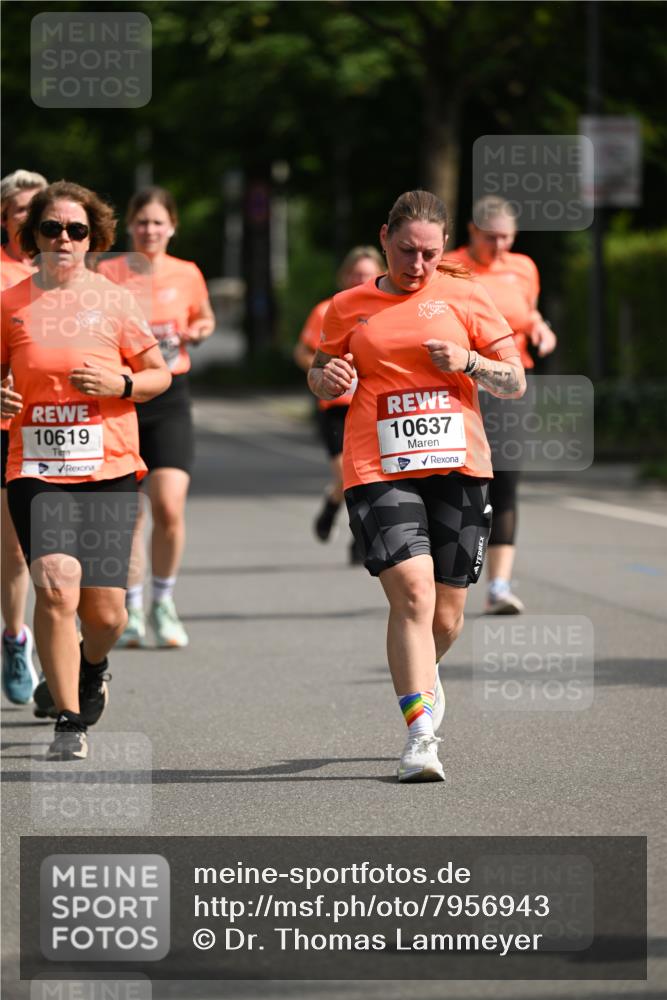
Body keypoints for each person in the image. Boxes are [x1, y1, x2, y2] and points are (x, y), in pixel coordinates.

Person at [308, 190, 525, 783]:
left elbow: (515, 380)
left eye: (430, 254)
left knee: (447, 616)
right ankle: (420, 735)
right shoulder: (347, 305)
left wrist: (469, 361)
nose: (418, 265)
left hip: (458, 464)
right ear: (385, 239)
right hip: (379, 463)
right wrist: (324, 375)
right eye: (407, 251)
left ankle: (424, 677)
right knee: (411, 591)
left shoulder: (466, 294)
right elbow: (320, 372)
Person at [0, 180, 171, 759]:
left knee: (106, 613)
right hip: (36, 466)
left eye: (77, 230)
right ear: (33, 237)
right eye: (52, 228)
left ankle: (90, 664)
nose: (65, 239)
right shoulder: (11, 303)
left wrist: (122, 382)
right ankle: (69, 720)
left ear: (94, 238)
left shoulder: (115, 300)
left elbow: (158, 375)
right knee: (54, 586)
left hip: (107, 466)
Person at [98, 188, 215, 648]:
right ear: (130, 225)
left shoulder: (187, 273)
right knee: (129, 513)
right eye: (142, 222)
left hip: (170, 396)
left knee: (168, 505)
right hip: (121, 399)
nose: (149, 230)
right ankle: (131, 605)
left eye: (157, 222)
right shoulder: (109, 272)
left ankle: (163, 602)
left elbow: (204, 318)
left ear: (172, 227)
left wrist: (199, 330)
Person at [447, 196, 557, 614]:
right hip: (463, 385)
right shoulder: (452, 266)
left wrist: (541, 328)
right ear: (472, 232)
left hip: (511, 384)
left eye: (507, 238)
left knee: (506, 480)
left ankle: (498, 586)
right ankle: (449, 576)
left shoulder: (524, 267)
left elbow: (527, 313)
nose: (499, 247)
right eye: (490, 238)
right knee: (464, 482)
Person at [293, 247, 384, 563]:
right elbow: (304, 353)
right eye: (355, 274)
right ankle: (337, 508)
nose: (361, 279)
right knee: (346, 476)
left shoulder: (387, 310)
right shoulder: (327, 310)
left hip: (373, 405)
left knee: (369, 475)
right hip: (336, 407)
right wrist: (325, 370)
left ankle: (355, 534)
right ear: (345, 277)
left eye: (368, 274)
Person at [1, 169, 48, 704]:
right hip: (7, 426)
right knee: (15, 548)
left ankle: (65, 641)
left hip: (68, 427)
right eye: (21, 211)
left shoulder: (71, 275)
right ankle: (16, 638)